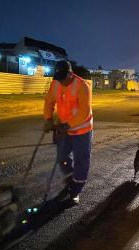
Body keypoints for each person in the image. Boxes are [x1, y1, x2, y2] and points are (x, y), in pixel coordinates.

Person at [43, 60, 93, 204]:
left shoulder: (83, 86)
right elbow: (49, 102)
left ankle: (76, 190)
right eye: (58, 79)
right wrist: (47, 119)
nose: (61, 82)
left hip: (82, 130)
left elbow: (84, 111)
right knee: (61, 158)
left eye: (63, 78)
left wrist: (67, 125)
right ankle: (71, 179)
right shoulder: (56, 83)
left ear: (70, 74)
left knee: (81, 161)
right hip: (64, 129)